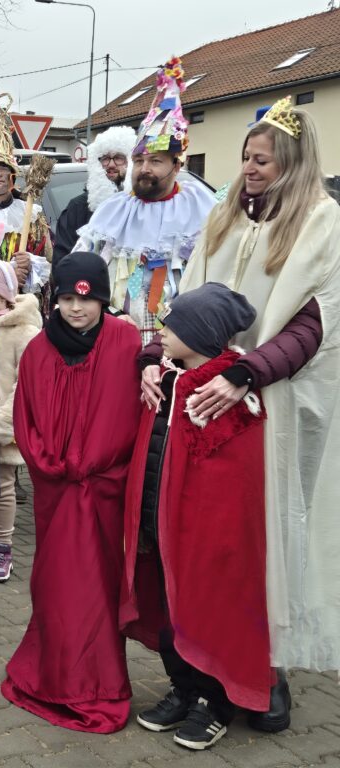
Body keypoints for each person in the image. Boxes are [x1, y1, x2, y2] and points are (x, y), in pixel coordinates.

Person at [140, 95, 340, 733]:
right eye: (247, 157)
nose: (249, 169)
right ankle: (203, 669)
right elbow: (185, 302)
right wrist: (153, 356)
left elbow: (313, 323)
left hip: (274, 401)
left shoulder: (321, 221)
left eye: (264, 161)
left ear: (293, 164)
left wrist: (246, 372)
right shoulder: (224, 215)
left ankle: (266, 670)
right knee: (208, 545)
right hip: (206, 399)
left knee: (267, 537)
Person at [122, 283, 269, 750]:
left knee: (207, 615)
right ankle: (184, 688)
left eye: (173, 326)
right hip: (159, 525)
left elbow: (236, 482)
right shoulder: (167, 379)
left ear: (201, 336)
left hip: (204, 537)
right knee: (170, 618)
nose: (161, 333)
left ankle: (214, 702)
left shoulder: (224, 397)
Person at [1, 251, 142, 732]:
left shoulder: (124, 341)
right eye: (66, 298)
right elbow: (27, 417)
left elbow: (127, 413)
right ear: (53, 300)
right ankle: (53, 677)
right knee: (56, 585)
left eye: (86, 299)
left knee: (97, 589)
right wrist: (50, 464)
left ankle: (98, 686)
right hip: (56, 492)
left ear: (102, 298)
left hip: (103, 490)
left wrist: (94, 463)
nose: (76, 309)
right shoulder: (40, 350)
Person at [74, 58, 215, 343]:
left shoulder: (201, 206)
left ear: (177, 166)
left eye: (155, 161)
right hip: (115, 336)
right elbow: (81, 268)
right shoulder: (113, 210)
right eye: (139, 161)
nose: (144, 169)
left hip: (183, 341)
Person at [0, 254, 41, 583]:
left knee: (4, 486)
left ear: (4, 293)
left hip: (1, 424)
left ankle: (2, 548)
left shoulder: (25, 332)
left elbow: (26, 384)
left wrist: (2, 424)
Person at [0, 93, 51, 294]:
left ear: (12, 176)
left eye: (3, 170)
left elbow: (49, 259)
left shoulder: (31, 215)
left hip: (21, 300)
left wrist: (30, 263)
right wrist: (6, 274)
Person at [52, 126, 135, 266]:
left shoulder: (141, 206)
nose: (111, 164)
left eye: (119, 158)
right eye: (105, 159)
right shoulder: (78, 207)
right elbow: (63, 260)